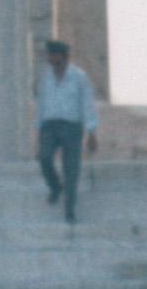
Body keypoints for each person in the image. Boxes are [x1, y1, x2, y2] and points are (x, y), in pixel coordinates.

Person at [34, 39, 100, 222]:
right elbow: (42, 105)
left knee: (71, 169)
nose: (51, 58)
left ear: (63, 57)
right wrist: (38, 132)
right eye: (49, 55)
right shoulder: (46, 78)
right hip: (49, 125)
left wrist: (92, 131)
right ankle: (55, 187)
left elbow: (87, 104)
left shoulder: (79, 77)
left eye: (54, 54)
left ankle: (70, 209)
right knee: (44, 157)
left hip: (71, 126)